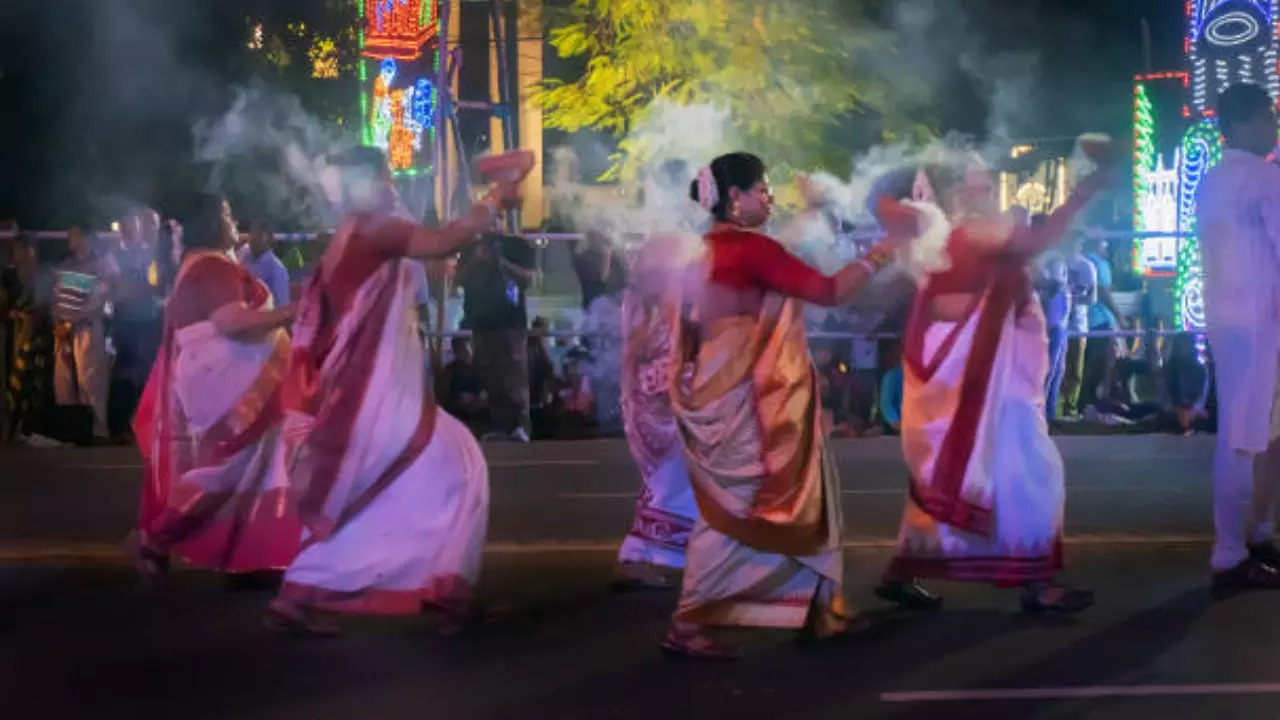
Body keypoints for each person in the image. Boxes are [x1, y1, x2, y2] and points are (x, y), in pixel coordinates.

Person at [267, 146, 528, 635]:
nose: (392, 185)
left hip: (368, 390)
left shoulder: (354, 228)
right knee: (458, 467)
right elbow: (447, 240)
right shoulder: (372, 227)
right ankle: (443, 592)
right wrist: (495, 198)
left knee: (383, 491)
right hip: (372, 395)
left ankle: (308, 591)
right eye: (385, 177)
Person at [662, 152, 902, 658]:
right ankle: (687, 623)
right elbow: (830, 292)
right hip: (755, 403)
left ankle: (824, 608)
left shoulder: (701, 251)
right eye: (762, 189)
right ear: (734, 198)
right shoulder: (751, 250)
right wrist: (884, 250)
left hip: (722, 393)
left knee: (786, 504)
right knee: (745, 512)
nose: (769, 198)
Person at [875, 153, 1115, 615]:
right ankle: (1038, 583)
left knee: (968, 478)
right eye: (977, 182)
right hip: (980, 379)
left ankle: (903, 571)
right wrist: (1084, 190)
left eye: (987, 181)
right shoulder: (967, 233)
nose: (988, 189)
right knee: (1031, 472)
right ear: (956, 193)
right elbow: (1038, 240)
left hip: (973, 371)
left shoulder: (942, 234)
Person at [129, 195, 300, 581]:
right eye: (226, 214)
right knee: (227, 470)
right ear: (210, 223)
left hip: (223, 380)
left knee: (254, 469)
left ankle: (246, 557)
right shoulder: (210, 266)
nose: (232, 220)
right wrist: (293, 312)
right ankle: (155, 537)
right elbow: (231, 322)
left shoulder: (205, 265)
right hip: (231, 386)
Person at [1195, 82, 1280, 596]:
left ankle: (1259, 535)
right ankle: (1230, 554)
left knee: (1263, 433)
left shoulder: (1213, 180)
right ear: (1247, 123)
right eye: (1269, 116)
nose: (1274, 125)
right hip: (1257, 324)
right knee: (1244, 438)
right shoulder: (1264, 179)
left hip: (1232, 321)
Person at [615, 159, 700, 589]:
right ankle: (648, 556)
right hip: (669, 379)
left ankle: (653, 554)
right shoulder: (677, 246)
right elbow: (676, 316)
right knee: (678, 473)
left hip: (649, 378)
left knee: (670, 476)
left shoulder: (653, 246)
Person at [456, 219, 538, 443]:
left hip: (510, 322)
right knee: (489, 375)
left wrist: (502, 263)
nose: (489, 228)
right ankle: (499, 424)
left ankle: (520, 425)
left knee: (514, 376)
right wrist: (477, 260)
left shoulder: (516, 245)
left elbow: (528, 279)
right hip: (482, 322)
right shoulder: (471, 248)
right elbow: (458, 279)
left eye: (493, 222)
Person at [52, 226, 113, 445]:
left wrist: (71, 321)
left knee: (91, 380)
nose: (71, 239)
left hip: (88, 328)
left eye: (76, 235)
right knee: (64, 381)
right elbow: (57, 298)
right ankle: (72, 430)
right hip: (64, 330)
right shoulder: (66, 266)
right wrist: (59, 324)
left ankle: (97, 431)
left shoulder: (100, 265)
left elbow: (99, 301)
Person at [1060, 233, 1098, 418]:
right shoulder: (1059, 263)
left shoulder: (1087, 267)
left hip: (1078, 324)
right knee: (1059, 367)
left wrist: (1074, 299)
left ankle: (1071, 406)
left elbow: (1093, 297)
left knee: (1075, 368)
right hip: (1059, 323)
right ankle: (1057, 406)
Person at [242, 219, 291, 307]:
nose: (253, 238)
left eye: (260, 235)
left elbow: (281, 307)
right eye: (252, 233)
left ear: (270, 239)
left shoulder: (277, 270)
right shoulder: (243, 257)